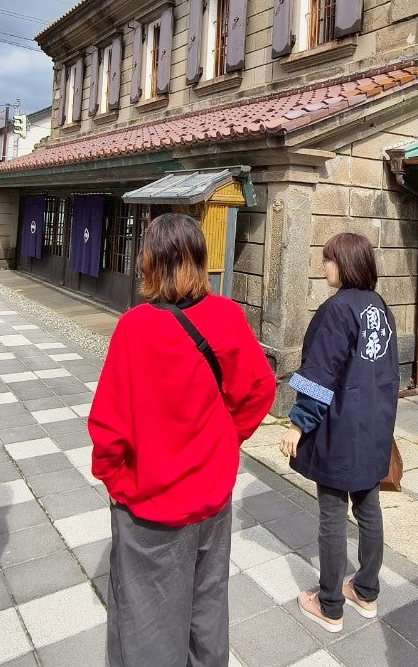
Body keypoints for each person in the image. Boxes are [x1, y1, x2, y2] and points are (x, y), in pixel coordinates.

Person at [89, 213, 275, 667]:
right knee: (207, 606)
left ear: (151, 261)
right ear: (199, 259)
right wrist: (226, 439)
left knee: (148, 622)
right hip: (211, 494)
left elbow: (109, 427)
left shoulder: (134, 327)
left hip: (150, 500)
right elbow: (259, 389)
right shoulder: (227, 316)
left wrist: (117, 482)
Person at [279, 232, 398, 632]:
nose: (324, 265)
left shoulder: (337, 310)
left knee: (332, 513)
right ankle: (365, 590)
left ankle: (329, 604)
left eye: (329, 259)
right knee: (368, 508)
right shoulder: (380, 306)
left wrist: (298, 423)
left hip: (341, 427)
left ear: (345, 264)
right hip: (374, 424)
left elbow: (320, 374)